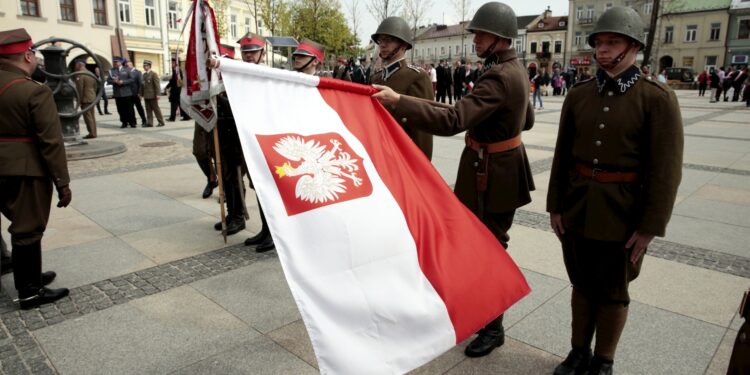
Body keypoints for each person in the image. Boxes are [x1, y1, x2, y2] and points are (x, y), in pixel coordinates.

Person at [373, 2, 535, 358]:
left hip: (491, 172)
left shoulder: (500, 76)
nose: (474, 39)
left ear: (500, 38)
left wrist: (400, 101)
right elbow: (528, 121)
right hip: (499, 165)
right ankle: (485, 318)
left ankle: (493, 328)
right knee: (486, 244)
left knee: (489, 247)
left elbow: (454, 119)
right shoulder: (513, 70)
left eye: (481, 34)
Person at [546, 7, 683, 375]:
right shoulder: (579, 95)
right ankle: (578, 352)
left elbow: (666, 171)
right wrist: (555, 205)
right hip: (577, 206)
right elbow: (562, 156)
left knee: (613, 291)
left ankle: (603, 360)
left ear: (634, 46)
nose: (602, 50)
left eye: (612, 42)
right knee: (581, 283)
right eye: (598, 43)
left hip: (623, 213)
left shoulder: (657, 98)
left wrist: (650, 226)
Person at [0, 28, 72, 309]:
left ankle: (21, 269)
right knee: (27, 228)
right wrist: (62, 183)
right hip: (23, 169)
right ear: (27, 55)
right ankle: (30, 291)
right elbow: (51, 142)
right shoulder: (33, 91)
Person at [369, 16, 435, 160]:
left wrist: (420, 167)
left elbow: (422, 129)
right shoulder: (376, 78)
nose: (382, 44)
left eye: (388, 40)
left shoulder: (417, 77)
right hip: (377, 153)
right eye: (380, 40)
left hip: (400, 157)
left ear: (403, 45)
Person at [107, 57, 136, 128]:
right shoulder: (111, 71)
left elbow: (132, 79)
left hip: (127, 93)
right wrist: (114, 81)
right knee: (120, 109)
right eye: (114, 62)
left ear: (120, 62)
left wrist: (123, 82)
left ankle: (132, 122)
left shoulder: (127, 69)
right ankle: (124, 122)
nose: (115, 63)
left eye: (117, 62)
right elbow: (108, 80)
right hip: (118, 94)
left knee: (129, 109)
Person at [74, 60, 97, 139]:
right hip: (92, 96)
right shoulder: (90, 73)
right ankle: (94, 132)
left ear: (79, 65)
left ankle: (91, 133)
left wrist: (79, 100)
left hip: (85, 98)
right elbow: (95, 85)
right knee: (92, 116)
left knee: (87, 116)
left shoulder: (80, 74)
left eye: (76, 65)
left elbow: (80, 88)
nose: (75, 66)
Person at [141, 60, 164, 127]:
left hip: (153, 95)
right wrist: (141, 94)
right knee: (148, 110)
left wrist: (158, 94)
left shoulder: (153, 74)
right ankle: (150, 123)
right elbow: (143, 86)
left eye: (146, 66)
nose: (145, 67)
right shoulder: (144, 75)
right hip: (146, 95)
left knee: (156, 109)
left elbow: (157, 85)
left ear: (149, 66)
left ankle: (161, 122)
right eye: (144, 66)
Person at [126, 61, 147, 126]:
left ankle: (144, 120)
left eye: (128, 65)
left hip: (136, 93)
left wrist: (140, 93)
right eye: (126, 66)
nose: (127, 67)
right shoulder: (126, 73)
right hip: (128, 94)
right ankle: (133, 122)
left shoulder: (137, 72)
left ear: (132, 65)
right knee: (130, 108)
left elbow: (140, 83)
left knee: (139, 108)